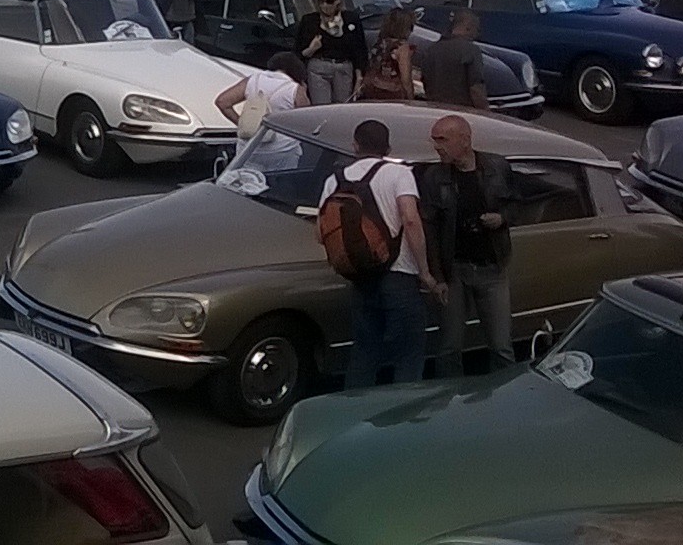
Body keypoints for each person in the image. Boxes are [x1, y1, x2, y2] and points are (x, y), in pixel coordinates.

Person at [322, 118, 433, 388]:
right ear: (388, 147)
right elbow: (410, 220)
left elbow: (320, 232)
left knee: (364, 352)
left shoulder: (334, 180)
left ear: (355, 145)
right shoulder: (399, 174)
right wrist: (425, 271)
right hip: (400, 277)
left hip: (360, 278)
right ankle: (402, 415)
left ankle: (356, 414)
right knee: (408, 354)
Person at [420, 113, 514, 377]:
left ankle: (504, 400)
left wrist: (502, 219)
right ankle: (449, 401)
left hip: (492, 269)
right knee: (449, 347)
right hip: (455, 272)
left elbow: (519, 205)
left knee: (501, 346)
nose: (437, 146)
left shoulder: (497, 167)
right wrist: (437, 277)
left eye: (442, 139)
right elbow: (430, 229)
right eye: (434, 140)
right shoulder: (434, 177)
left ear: (464, 140)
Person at [293, 0, 367, 104]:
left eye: (329, 2)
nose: (325, 6)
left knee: (341, 108)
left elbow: (360, 51)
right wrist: (311, 49)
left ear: (338, 1)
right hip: (319, 67)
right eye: (321, 2)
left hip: (343, 67)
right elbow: (298, 52)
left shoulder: (350, 19)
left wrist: (359, 78)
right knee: (322, 107)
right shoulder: (310, 21)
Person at [217, 50, 308, 138]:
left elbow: (222, 102)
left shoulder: (253, 79)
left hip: (249, 146)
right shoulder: (295, 88)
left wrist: (242, 124)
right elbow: (306, 118)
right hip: (283, 147)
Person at [417, 8, 488, 109]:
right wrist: (486, 111)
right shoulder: (471, 50)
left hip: (434, 109)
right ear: (467, 27)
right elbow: (476, 88)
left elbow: (425, 82)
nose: (477, 34)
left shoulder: (431, 50)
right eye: (477, 29)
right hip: (463, 111)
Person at [355, 8, 419, 103]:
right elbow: (406, 80)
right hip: (393, 95)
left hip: (372, 91)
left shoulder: (379, 44)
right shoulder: (402, 48)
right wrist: (411, 97)